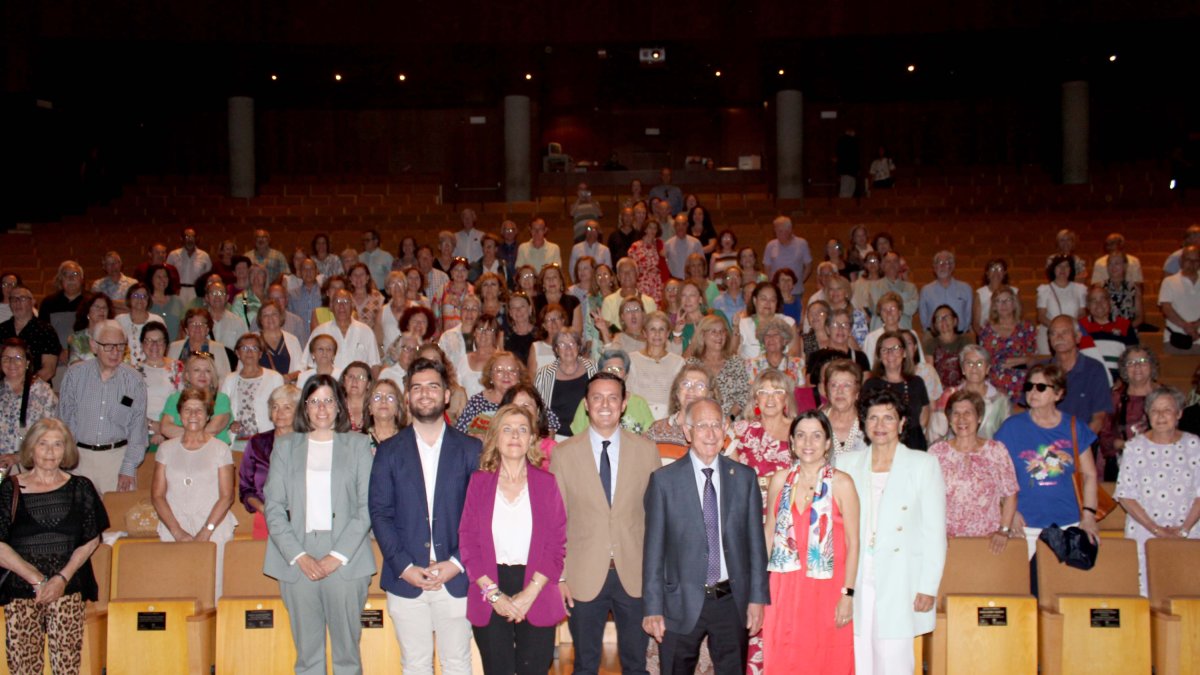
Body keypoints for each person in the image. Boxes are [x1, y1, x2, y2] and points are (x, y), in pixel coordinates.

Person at [369, 358, 482, 675]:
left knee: (458, 663)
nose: (425, 394)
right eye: (416, 388)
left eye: (433, 386)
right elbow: (380, 513)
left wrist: (457, 563)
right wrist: (404, 566)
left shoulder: (471, 449)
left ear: (446, 395)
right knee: (415, 665)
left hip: (457, 578)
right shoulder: (389, 451)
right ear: (407, 397)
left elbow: (480, 517)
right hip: (405, 578)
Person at [642, 398, 770, 673]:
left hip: (730, 600)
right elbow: (653, 551)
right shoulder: (664, 481)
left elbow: (756, 546)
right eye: (702, 426)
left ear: (725, 428)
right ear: (687, 432)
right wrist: (653, 607)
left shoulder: (744, 478)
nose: (710, 434)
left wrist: (757, 598)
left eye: (716, 425)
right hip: (679, 601)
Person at [263, 374, 376, 674]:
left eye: (328, 400)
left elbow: (367, 507)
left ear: (339, 406)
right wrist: (299, 555)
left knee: (347, 656)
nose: (322, 408)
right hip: (297, 557)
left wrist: (334, 557)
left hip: (345, 557)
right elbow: (273, 508)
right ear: (305, 408)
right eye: (314, 401)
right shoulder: (285, 446)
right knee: (307, 657)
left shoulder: (358, 444)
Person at [550, 373, 659, 674]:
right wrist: (559, 577)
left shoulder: (647, 451)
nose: (605, 404)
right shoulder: (563, 454)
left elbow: (656, 518)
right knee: (584, 663)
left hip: (634, 575)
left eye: (613, 397)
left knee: (636, 664)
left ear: (624, 404)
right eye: (597, 397)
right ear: (586, 404)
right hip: (582, 577)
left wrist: (657, 575)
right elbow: (556, 521)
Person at [840, 389, 946, 674]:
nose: (880, 425)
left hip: (902, 576)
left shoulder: (923, 465)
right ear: (863, 424)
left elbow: (934, 531)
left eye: (888, 418)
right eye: (873, 418)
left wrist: (928, 586)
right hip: (858, 574)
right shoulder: (846, 464)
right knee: (857, 654)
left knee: (894, 659)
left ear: (901, 423)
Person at [458, 404, 567, 674]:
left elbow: (556, 544)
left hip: (536, 586)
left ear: (532, 438)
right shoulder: (478, 482)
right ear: (495, 437)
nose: (515, 435)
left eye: (522, 429)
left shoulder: (547, 483)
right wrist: (494, 595)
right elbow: (468, 542)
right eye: (507, 429)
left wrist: (529, 594)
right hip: (490, 585)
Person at [0, 418, 107, 675]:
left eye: (58, 444)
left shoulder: (81, 487)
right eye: (43, 444)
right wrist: (36, 579)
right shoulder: (9, 488)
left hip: (67, 588)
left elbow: (91, 539)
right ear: (31, 449)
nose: (50, 452)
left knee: (67, 668)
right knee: (24, 668)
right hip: (22, 590)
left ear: (66, 449)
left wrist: (61, 578)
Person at [762, 411, 859, 673]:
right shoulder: (780, 481)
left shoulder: (842, 483)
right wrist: (758, 591)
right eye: (801, 435)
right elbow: (769, 533)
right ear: (792, 442)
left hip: (827, 590)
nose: (808, 443)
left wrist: (847, 594)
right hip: (784, 588)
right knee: (783, 658)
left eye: (816, 436)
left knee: (826, 661)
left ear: (828, 442)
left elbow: (853, 543)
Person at [994, 364, 1101, 559]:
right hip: (1025, 525)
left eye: (1041, 387)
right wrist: (1009, 511)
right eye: (1029, 386)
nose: (1033, 392)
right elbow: (996, 475)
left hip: (1069, 523)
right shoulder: (1011, 428)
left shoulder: (1075, 426)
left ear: (1058, 394)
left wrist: (1088, 516)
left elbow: (1090, 475)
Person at [1114, 386, 1200, 595]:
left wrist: (1184, 530)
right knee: (1148, 594)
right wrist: (1156, 530)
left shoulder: (1194, 443)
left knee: (1187, 592)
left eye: (1167, 410)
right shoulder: (1134, 447)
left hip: (1189, 531)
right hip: (1145, 532)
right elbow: (1125, 495)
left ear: (1179, 413)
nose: (1161, 416)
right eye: (1155, 410)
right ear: (1147, 414)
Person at [152, 389, 238, 595]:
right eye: (187, 410)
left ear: (208, 415)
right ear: (180, 414)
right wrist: (177, 531)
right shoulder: (166, 448)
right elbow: (157, 495)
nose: (193, 415)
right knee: (177, 590)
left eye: (199, 410)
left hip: (213, 528)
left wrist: (206, 531)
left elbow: (227, 496)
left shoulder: (220, 449)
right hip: (175, 527)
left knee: (212, 591)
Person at [59, 319, 148, 493]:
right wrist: (64, 461)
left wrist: (128, 468)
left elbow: (138, 429)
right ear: (93, 346)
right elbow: (63, 421)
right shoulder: (74, 376)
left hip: (116, 461)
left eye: (120, 346)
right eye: (108, 346)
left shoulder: (134, 380)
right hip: (78, 460)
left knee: (115, 518)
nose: (115, 352)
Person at [929, 389, 1019, 546]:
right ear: (949, 419)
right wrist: (936, 532)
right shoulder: (936, 453)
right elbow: (926, 498)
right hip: (946, 542)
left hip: (988, 541)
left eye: (968, 413)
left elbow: (1010, 494)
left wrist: (1003, 530)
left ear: (979, 418)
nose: (961, 419)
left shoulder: (996, 451)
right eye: (956, 414)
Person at [239, 384, 299, 540]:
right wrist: (265, 510)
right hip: (265, 516)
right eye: (275, 407)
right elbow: (246, 489)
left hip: (302, 520)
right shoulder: (257, 443)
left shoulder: (308, 443)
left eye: (287, 407)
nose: (280, 413)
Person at [1097, 346, 1159, 480]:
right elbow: (1105, 436)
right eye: (1131, 362)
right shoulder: (1115, 397)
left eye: (1142, 361)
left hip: (1159, 461)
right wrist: (1127, 445)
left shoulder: (1165, 395)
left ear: (1152, 366)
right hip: (1122, 461)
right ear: (1124, 369)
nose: (1137, 366)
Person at [861, 332, 930, 451]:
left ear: (904, 353)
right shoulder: (871, 385)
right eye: (884, 350)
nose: (890, 353)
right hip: (881, 442)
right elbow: (864, 416)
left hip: (914, 443)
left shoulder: (917, 382)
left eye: (896, 348)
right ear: (879, 356)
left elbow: (925, 413)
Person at [928, 344, 1011, 442]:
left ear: (987, 369)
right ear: (962, 369)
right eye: (969, 363)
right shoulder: (949, 395)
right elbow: (935, 434)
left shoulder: (1000, 400)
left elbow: (1008, 436)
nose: (974, 367)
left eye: (980, 363)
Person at [1046, 315, 1113, 434]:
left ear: (1077, 337)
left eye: (1065, 332)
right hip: (1045, 442)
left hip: (1081, 442)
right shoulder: (1042, 370)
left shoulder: (1094, 369)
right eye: (1053, 333)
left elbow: (1099, 418)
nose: (1059, 337)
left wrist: (1076, 446)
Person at [221, 333, 286, 446]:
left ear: (260, 354)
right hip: (236, 441)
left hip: (266, 441)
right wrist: (230, 423)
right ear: (237, 353)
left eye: (254, 348)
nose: (249, 352)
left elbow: (283, 410)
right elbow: (223, 409)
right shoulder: (229, 379)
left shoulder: (275, 377)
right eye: (244, 348)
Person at [977, 287, 1037, 406]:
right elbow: (986, 361)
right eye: (999, 301)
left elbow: (1031, 359)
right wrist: (1020, 360)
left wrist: (1005, 362)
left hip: (1020, 381)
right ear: (994, 306)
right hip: (995, 382)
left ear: (1014, 303)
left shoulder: (1026, 327)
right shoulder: (986, 330)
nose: (1003, 304)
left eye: (1007, 300)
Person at [159, 351, 234, 446]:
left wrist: (182, 431)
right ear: (187, 375)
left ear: (213, 376)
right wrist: (198, 433)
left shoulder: (221, 399)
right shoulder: (174, 398)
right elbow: (165, 428)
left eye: (207, 371)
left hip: (214, 453)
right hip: (181, 453)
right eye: (196, 370)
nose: (202, 374)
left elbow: (213, 429)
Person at [0, 338, 58, 460]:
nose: (12, 363)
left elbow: (51, 433)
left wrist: (18, 457)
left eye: (18, 358)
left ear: (27, 363)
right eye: (6, 358)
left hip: (29, 463)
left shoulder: (42, 392)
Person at [533, 331, 596, 438]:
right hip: (556, 437)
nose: (568, 348)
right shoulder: (543, 374)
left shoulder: (594, 368)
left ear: (579, 347)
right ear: (556, 349)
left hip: (589, 435)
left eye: (572, 343)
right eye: (562, 344)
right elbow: (537, 408)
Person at [686, 315, 749, 419]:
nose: (719, 336)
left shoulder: (735, 362)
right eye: (713, 332)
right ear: (703, 335)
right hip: (700, 421)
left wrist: (729, 419)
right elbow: (687, 397)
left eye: (722, 331)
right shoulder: (692, 364)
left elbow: (744, 395)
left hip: (732, 422)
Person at [304, 288, 381, 372]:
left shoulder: (366, 332)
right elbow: (309, 365)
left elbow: (375, 365)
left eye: (345, 301)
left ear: (352, 305)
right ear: (331, 306)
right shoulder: (319, 332)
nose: (341, 306)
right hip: (328, 383)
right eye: (337, 301)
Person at [627, 312, 686, 420]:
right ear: (644, 333)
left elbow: (681, 396)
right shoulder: (632, 359)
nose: (657, 334)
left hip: (669, 418)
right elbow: (628, 394)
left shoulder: (678, 362)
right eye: (652, 329)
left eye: (661, 329)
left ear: (668, 333)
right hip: (639, 417)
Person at [0, 285, 61, 382]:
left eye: (22, 298)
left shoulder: (46, 330)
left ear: (32, 302)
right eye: (13, 299)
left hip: (35, 387)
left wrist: (23, 387)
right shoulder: (2, 329)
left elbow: (49, 370)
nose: (17, 302)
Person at [647, 365, 716, 447]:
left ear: (709, 394)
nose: (691, 389)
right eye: (686, 384)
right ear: (677, 392)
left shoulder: (718, 431)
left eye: (699, 385)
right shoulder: (657, 429)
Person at [807, 308, 870, 391]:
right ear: (828, 329)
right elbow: (809, 386)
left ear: (850, 330)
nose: (840, 329)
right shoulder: (816, 356)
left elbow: (865, 387)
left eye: (845, 325)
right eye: (835, 325)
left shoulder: (860, 357)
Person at [1036, 255, 1087, 354]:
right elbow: (1041, 316)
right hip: (1049, 333)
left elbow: (1082, 313)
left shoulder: (1080, 289)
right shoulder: (1044, 290)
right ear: (1053, 269)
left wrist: (1069, 328)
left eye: (1066, 266)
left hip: (1070, 335)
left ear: (1071, 269)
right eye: (1059, 266)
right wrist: (1058, 328)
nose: (1062, 269)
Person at [820, 359, 868, 457]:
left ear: (857, 391)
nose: (840, 391)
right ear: (826, 391)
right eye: (834, 385)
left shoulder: (869, 422)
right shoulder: (816, 422)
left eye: (847, 385)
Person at [745, 316, 805, 392]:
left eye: (776, 334)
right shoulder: (752, 364)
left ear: (784, 340)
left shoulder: (797, 364)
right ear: (763, 341)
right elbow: (750, 394)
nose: (771, 338)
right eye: (767, 335)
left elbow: (802, 393)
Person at [1158, 245, 1200, 353]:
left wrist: (1196, 325)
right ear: (1181, 261)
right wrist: (1187, 327)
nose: (1192, 264)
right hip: (1177, 340)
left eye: (1196, 260)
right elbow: (1166, 308)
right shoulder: (1169, 281)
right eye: (1188, 260)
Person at [737, 282, 795, 360]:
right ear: (755, 300)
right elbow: (733, 353)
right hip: (750, 370)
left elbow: (794, 355)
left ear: (776, 303)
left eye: (772, 300)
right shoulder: (743, 324)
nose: (768, 303)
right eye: (763, 299)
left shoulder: (788, 322)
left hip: (781, 370)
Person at [918, 251, 972, 332]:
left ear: (952, 266)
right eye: (939, 263)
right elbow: (924, 319)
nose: (942, 266)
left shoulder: (966, 289)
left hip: (960, 336)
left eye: (946, 263)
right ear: (934, 267)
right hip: (935, 338)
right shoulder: (926, 290)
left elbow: (968, 315)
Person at [454, 313, 501, 399]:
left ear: (495, 335)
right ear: (474, 333)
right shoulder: (464, 360)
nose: (484, 333)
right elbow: (457, 391)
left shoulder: (501, 360)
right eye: (480, 329)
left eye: (489, 330)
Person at [867, 252, 918, 330]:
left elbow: (912, 309)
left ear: (899, 265)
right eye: (888, 261)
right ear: (882, 265)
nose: (892, 264)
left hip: (903, 330)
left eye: (895, 261)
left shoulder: (910, 287)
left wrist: (887, 305)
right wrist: (900, 305)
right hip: (880, 331)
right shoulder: (873, 286)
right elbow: (877, 308)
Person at [923, 305, 970, 390]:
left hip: (964, 388)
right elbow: (930, 373)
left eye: (946, 317)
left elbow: (971, 366)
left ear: (955, 321)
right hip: (939, 389)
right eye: (939, 318)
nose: (943, 320)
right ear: (935, 325)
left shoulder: (966, 341)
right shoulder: (930, 343)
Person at [257, 302, 303, 382]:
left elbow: (301, 369)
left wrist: (288, 377)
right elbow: (245, 369)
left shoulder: (292, 340)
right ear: (260, 320)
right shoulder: (253, 340)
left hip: (286, 391)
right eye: (265, 315)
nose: (270, 318)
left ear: (281, 317)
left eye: (274, 314)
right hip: (261, 390)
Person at [627, 220, 670, 306]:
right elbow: (630, 267)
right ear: (645, 229)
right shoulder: (635, 246)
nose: (652, 230)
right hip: (642, 283)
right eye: (650, 227)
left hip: (656, 283)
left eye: (655, 228)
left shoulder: (659, 244)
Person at [65, 292, 113, 366]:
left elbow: (125, 364)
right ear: (87, 311)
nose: (101, 310)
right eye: (97, 307)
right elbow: (74, 365)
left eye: (105, 307)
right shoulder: (76, 338)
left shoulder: (116, 337)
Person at [763, 216, 812, 285]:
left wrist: (799, 282)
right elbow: (767, 268)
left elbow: (808, 267)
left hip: (796, 291)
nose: (776, 233)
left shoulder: (802, 243)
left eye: (780, 231)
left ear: (789, 230)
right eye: (776, 230)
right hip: (777, 290)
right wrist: (773, 284)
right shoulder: (770, 245)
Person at [973, 258, 1017, 335]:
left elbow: (1018, 316)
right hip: (987, 335)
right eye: (992, 269)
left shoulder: (1014, 292)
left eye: (1000, 269)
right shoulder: (980, 293)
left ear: (1005, 273)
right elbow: (976, 323)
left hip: (1011, 334)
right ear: (987, 273)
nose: (996, 272)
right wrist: (987, 338)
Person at [1101, 251, 1144, 328]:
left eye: (1117, 263)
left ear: (1125, 266)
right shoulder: (1101, 288)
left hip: (1128, 332)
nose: (1113, 267)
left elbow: (1139, 317)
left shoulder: (1134, 288)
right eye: (1110, 264)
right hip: (1106, 331)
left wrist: (1125, 329)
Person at [365, 378, 406, 451]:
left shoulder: (408, 438)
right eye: (377, 397)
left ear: (398, 407)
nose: (383, 400)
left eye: (390, 397)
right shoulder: (360, 439)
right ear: (369, 407)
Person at [339, 362, 373, 433]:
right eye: (351, 377)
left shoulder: (375, 408)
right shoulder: (336, 407)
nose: (354, 381)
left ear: (368, 384)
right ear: (344, 382)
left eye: (360, 377)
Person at [835, 128, 861, 198]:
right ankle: (842, 207)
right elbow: (841, 157)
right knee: (846, 192)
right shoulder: (845, 141)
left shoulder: (850, 142)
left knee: (848, 192)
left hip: (850, 172)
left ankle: (845, 207)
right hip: (847, 171)